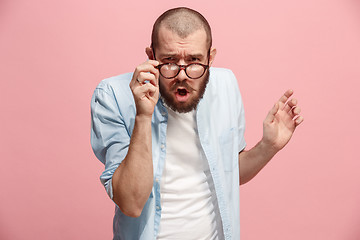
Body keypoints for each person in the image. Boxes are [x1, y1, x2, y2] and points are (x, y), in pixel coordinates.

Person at [90, 7, 303, 240]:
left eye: (194, 61)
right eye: (169, 61)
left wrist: (268, 146)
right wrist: (143, 116)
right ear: (151, 57)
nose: (182, 74)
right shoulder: (112, 95)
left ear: (210, 58)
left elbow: (229, 173)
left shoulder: (226, 85)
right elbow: (130, 203)